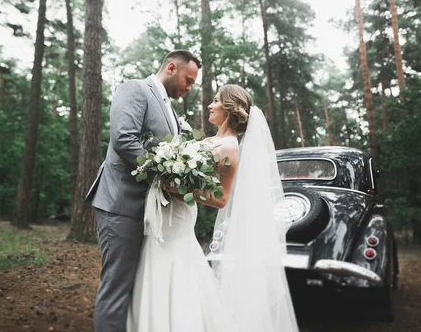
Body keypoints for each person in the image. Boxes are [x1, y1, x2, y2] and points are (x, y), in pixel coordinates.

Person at [127, 85, 299, 332]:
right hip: (168, 213)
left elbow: (221, 199)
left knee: (175, 267)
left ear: (229, 108)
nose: (209, 104)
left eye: (216, 100)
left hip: (179, 217)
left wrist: (177, 188)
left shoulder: (230, 147)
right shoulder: (210, 140)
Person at [85, 50, 201, 332]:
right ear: (171, 68)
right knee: (118, 285)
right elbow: (124, 139)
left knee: (138, 285)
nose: (188, 88)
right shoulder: (134, 88)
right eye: (188, 80)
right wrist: (166, 177)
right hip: (121, 204)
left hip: (149, 211)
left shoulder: (171, 111)